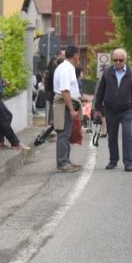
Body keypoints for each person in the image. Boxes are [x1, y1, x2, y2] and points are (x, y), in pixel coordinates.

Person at [93, 48, 132, 171]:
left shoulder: (131, 73)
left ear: (125, 60)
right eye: (116, 60)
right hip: (110, 109)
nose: (118, 62)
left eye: (121, 60)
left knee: (127, 135)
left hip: (126, 109)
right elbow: (100, 91)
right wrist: (97, 108)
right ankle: (113, 160)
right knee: (112, 136)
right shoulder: (107, 72)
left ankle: (128, 162)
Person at [53, 45, 83, 173]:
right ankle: (62, 162)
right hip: (64, 104)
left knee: (67, 133)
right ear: (76, 55)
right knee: (64, 134)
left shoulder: (66, 67)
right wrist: (71, 109)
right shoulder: (66, 69)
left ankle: (66, 160)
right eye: (79, 55)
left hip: (66, 103)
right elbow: (65, 90)